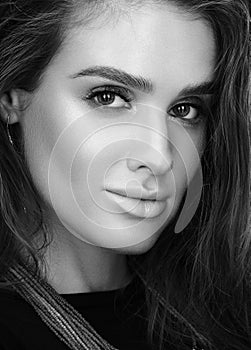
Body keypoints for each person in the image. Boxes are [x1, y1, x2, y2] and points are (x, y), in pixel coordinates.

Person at [0, 0, 250, 349]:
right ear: (11, 99)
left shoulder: (227, 312)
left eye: (185, 109)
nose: (160, 156)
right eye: (108, 97)